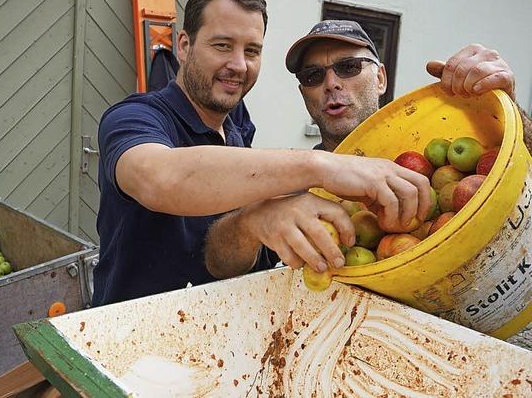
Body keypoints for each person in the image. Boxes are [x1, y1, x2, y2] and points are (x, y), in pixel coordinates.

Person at [91, 0, 431, 307]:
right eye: (222, 45)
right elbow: (159, 179)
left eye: (251, 50)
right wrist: (321, 166)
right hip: (124, 341)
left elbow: (226, 249)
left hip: (209, 338)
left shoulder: (238, 122)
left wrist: (259, 220)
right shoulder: (135, 117)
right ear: (183, 46)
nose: (239, 64)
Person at [204, 20, 531, 280]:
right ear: (304, 94)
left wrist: (510, 107)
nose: (331, 83)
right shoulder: (295, 182)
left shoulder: (430, 153)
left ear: (380, 78)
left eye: (348, 67)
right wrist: (251, 222)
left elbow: (519, 185)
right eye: (313, 75)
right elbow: (219, 263)